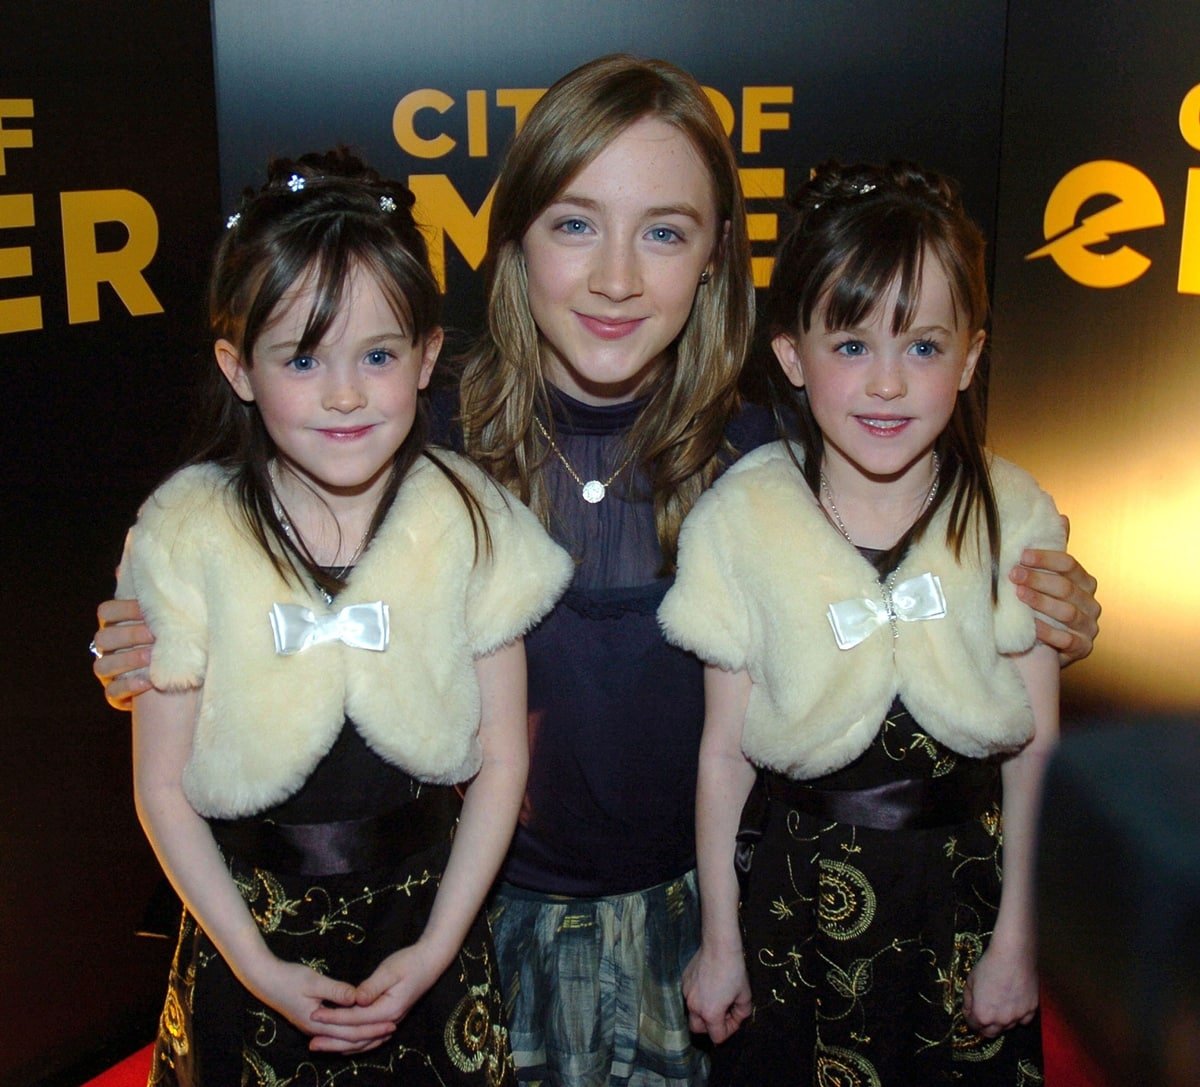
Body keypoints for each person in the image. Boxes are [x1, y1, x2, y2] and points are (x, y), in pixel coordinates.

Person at [92, 58, 1101, 1086]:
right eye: (576, 225)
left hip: (715, 923)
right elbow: (236, 553)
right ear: (516, 242)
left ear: (715, 259)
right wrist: (138, 646)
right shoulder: (413, 439)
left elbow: (932, 566)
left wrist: (1055, 610)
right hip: (473, 927)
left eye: (664, 232)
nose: (617, 277)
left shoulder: (775, 456)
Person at [120, 149, 572, 1085]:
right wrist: (252, 963)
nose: (345, 393)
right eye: (301, 358)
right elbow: (162, 786)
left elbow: (503, 759)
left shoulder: (471, 519)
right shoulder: (185, 531)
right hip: (248, 932)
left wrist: (440, 946)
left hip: (422, 927)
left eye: (378, 354)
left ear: (428, 356)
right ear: (238, 367)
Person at [660, 160, 1062, 1084]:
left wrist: (1020, 938)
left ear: (969, 357)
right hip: (798, 907)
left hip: (960, 903)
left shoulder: (1013, 514)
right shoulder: (741, 519)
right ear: (793, 355)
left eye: (922, 346)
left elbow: (1034, 746)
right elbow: (725, 752)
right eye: (850, 346)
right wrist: (721, 936)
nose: (887, 383)